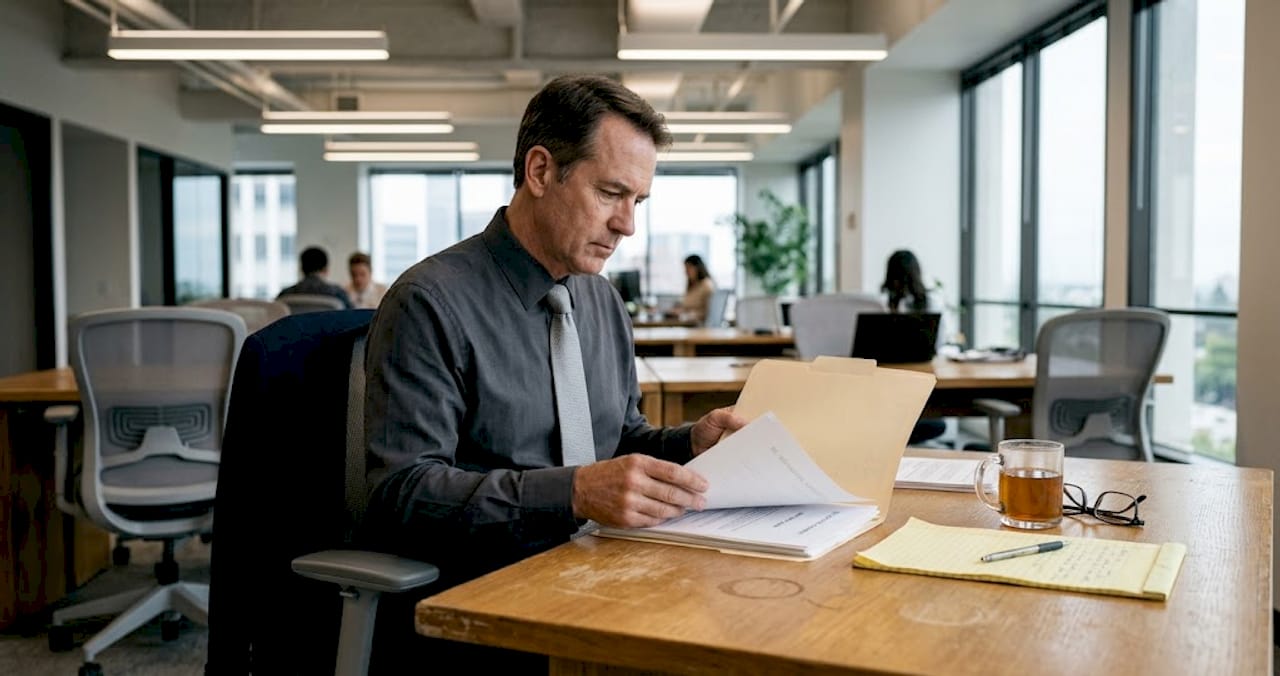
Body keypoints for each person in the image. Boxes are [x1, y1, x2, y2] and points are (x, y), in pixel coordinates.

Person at [362, 74, 747, 670]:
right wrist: (571, 493)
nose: (627, 225)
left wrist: (686, 445)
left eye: (637, 202)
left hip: (604, 571)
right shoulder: (430, 301)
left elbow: (617, 438)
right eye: (610, 194)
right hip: (491, 593)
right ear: (541, 172)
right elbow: (402, 492)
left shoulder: (599, 300)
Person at [880, 249, 947, 445]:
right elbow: (941, 341)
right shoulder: (931, 302)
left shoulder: (883, 302)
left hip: (891, 375)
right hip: (925, 371)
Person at [276, 245, 353, 308]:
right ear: (326, 269)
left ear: (301, 269)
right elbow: (353, 320)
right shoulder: (338, 294)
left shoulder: (284, 295)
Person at [673, 254, 715, 322]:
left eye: (689, 268)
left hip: (698, 326)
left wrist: (685, 315)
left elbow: (707, 313)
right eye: (685, 269)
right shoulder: (692, 285)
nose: (686, 272)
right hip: (687, 322)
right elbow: (687, 306)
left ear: (698, 268)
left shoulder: (707, 285)